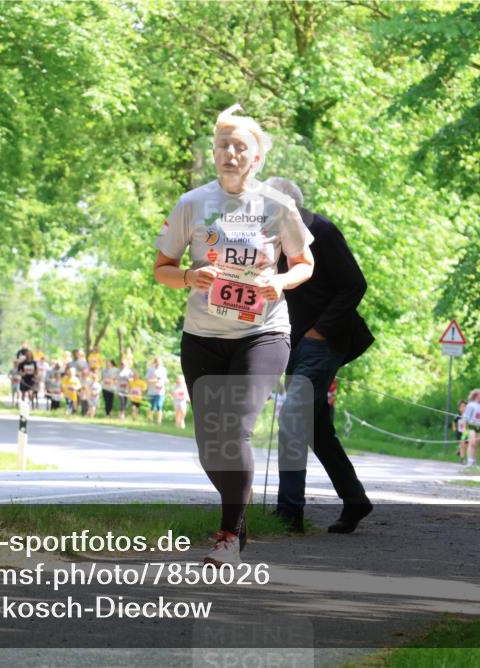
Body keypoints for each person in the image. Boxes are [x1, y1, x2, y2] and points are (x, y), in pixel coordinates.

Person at [152, 104, 314, 565]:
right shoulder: (191, 204)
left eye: (240, 147)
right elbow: (161, 269)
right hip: (203, 334)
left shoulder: (277, 206)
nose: (230, 154)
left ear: (256, 157)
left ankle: (226, 537)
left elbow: (305, 263)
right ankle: (237, 517)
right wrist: (189, 277)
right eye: (223, 146)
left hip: (262, 332)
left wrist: (280, 281)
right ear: (214, 153)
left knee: (235, 430)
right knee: (211, 446)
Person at [266, 177, 375, 534]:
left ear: (291, 207)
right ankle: (355, 499)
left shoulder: (323, 232)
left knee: (293, 418)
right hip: (292, 342)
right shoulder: (270, 237)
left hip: (324, 341)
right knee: (315, 428)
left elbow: (355, 284)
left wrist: (320, 331)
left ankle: (288, 514)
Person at [461, 389, 480, 467]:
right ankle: (470, 461)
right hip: (471, 425)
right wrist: (465, 429)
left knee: (477, 444)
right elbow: (465, 417)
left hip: (479, 426)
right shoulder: (471, 405)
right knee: (472, 443)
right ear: (477, 395)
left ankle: (475, 461)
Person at [146, 356, 168, 425]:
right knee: (151, 406)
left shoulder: (164, 370)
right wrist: (155, 381)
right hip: (152, 391)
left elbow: (165, 380)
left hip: (160, 391)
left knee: (159, 405)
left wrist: (163, 383)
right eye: (157, 362)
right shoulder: (151, 370)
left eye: (160, 362)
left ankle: (159, 421)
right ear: (155, 362)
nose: (158, 363)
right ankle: (150, 419)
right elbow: (147, 380)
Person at [453, 400, 468, 465]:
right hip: (460, 432)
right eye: (461, 406)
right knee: (462, 444)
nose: (463, 408)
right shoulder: (457, 415)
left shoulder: (468, 415)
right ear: (459, 408)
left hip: (466, 432)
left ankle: (459, 450)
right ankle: (462, 459)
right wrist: (454, 427)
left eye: (465, 406)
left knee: (466, 445)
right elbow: (454, 421)